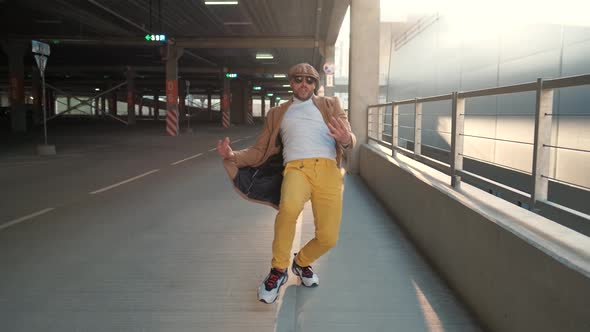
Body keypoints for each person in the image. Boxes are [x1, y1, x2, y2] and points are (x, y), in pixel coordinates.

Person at [217, 63, 356, 304]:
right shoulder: (277, 113)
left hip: (328, 171)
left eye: (310, 80)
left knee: (329, 237)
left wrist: (346, 139)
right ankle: (278, 271)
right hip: (296, 169)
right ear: (291, 82)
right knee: (289, 208)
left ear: (316, 84)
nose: (304, 84)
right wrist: (233, 155)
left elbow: (350, 137)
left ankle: (300, 263)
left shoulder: (331, 105)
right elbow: (260, 149)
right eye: (299, 79)